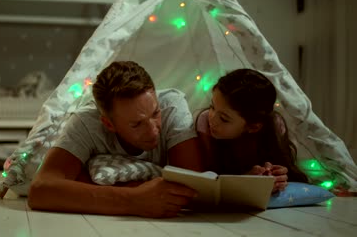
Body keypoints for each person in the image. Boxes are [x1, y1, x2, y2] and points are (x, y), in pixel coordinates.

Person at [28, 61, 203, 218]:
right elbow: (40, 190)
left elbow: (192, 187)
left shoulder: (172, 106)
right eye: (136, 124)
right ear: (109, 124)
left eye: (155, 114)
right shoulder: (87, 122)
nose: (153, 130)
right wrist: (133, 200)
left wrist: (84, 182)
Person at [195, 68, 308, 193]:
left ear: (253, 127)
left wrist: (278, 175)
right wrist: (242, 182)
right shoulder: (204, 123)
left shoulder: (274, 126)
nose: (212, 119)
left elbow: (287, 170)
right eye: (212, 106)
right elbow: (203, 181)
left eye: (223, 119)